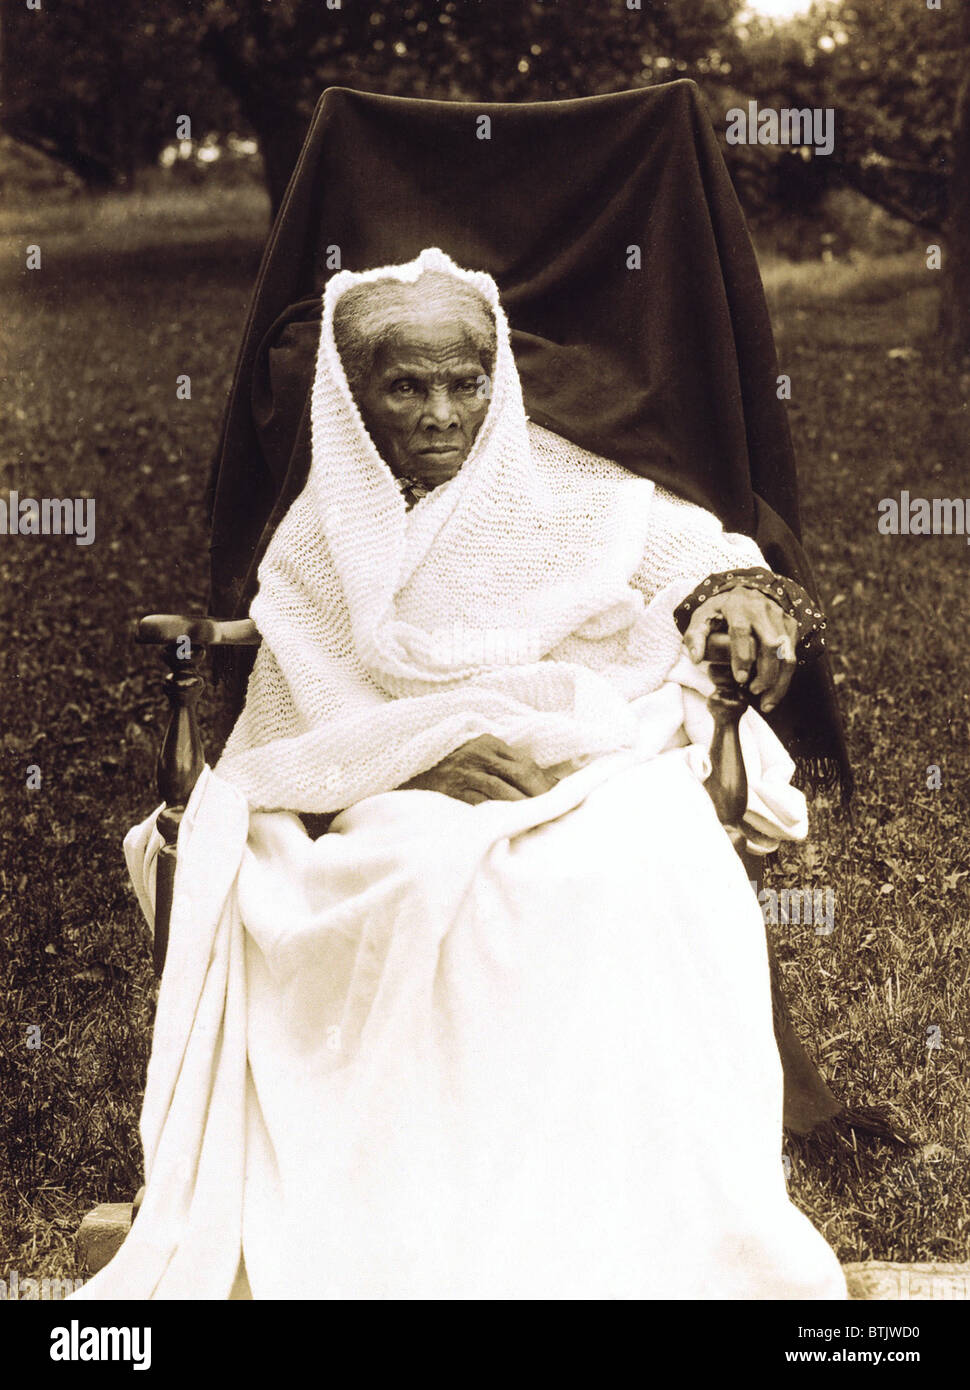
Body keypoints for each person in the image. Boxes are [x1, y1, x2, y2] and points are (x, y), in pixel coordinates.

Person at [75, 248, 845, 1300]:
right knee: (397, 877)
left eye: (465, 379)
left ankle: (610, 1204)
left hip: (581, 753)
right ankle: (418, 1211)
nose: (443, 410)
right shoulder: (320, 532)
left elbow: (694, 551)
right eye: (407, 384)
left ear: (497, 377)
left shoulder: (559, 478)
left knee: (635, 865)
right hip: (377, 788)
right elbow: (296, 719)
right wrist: (412, 754)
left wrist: (742, 596)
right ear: (354, 395)